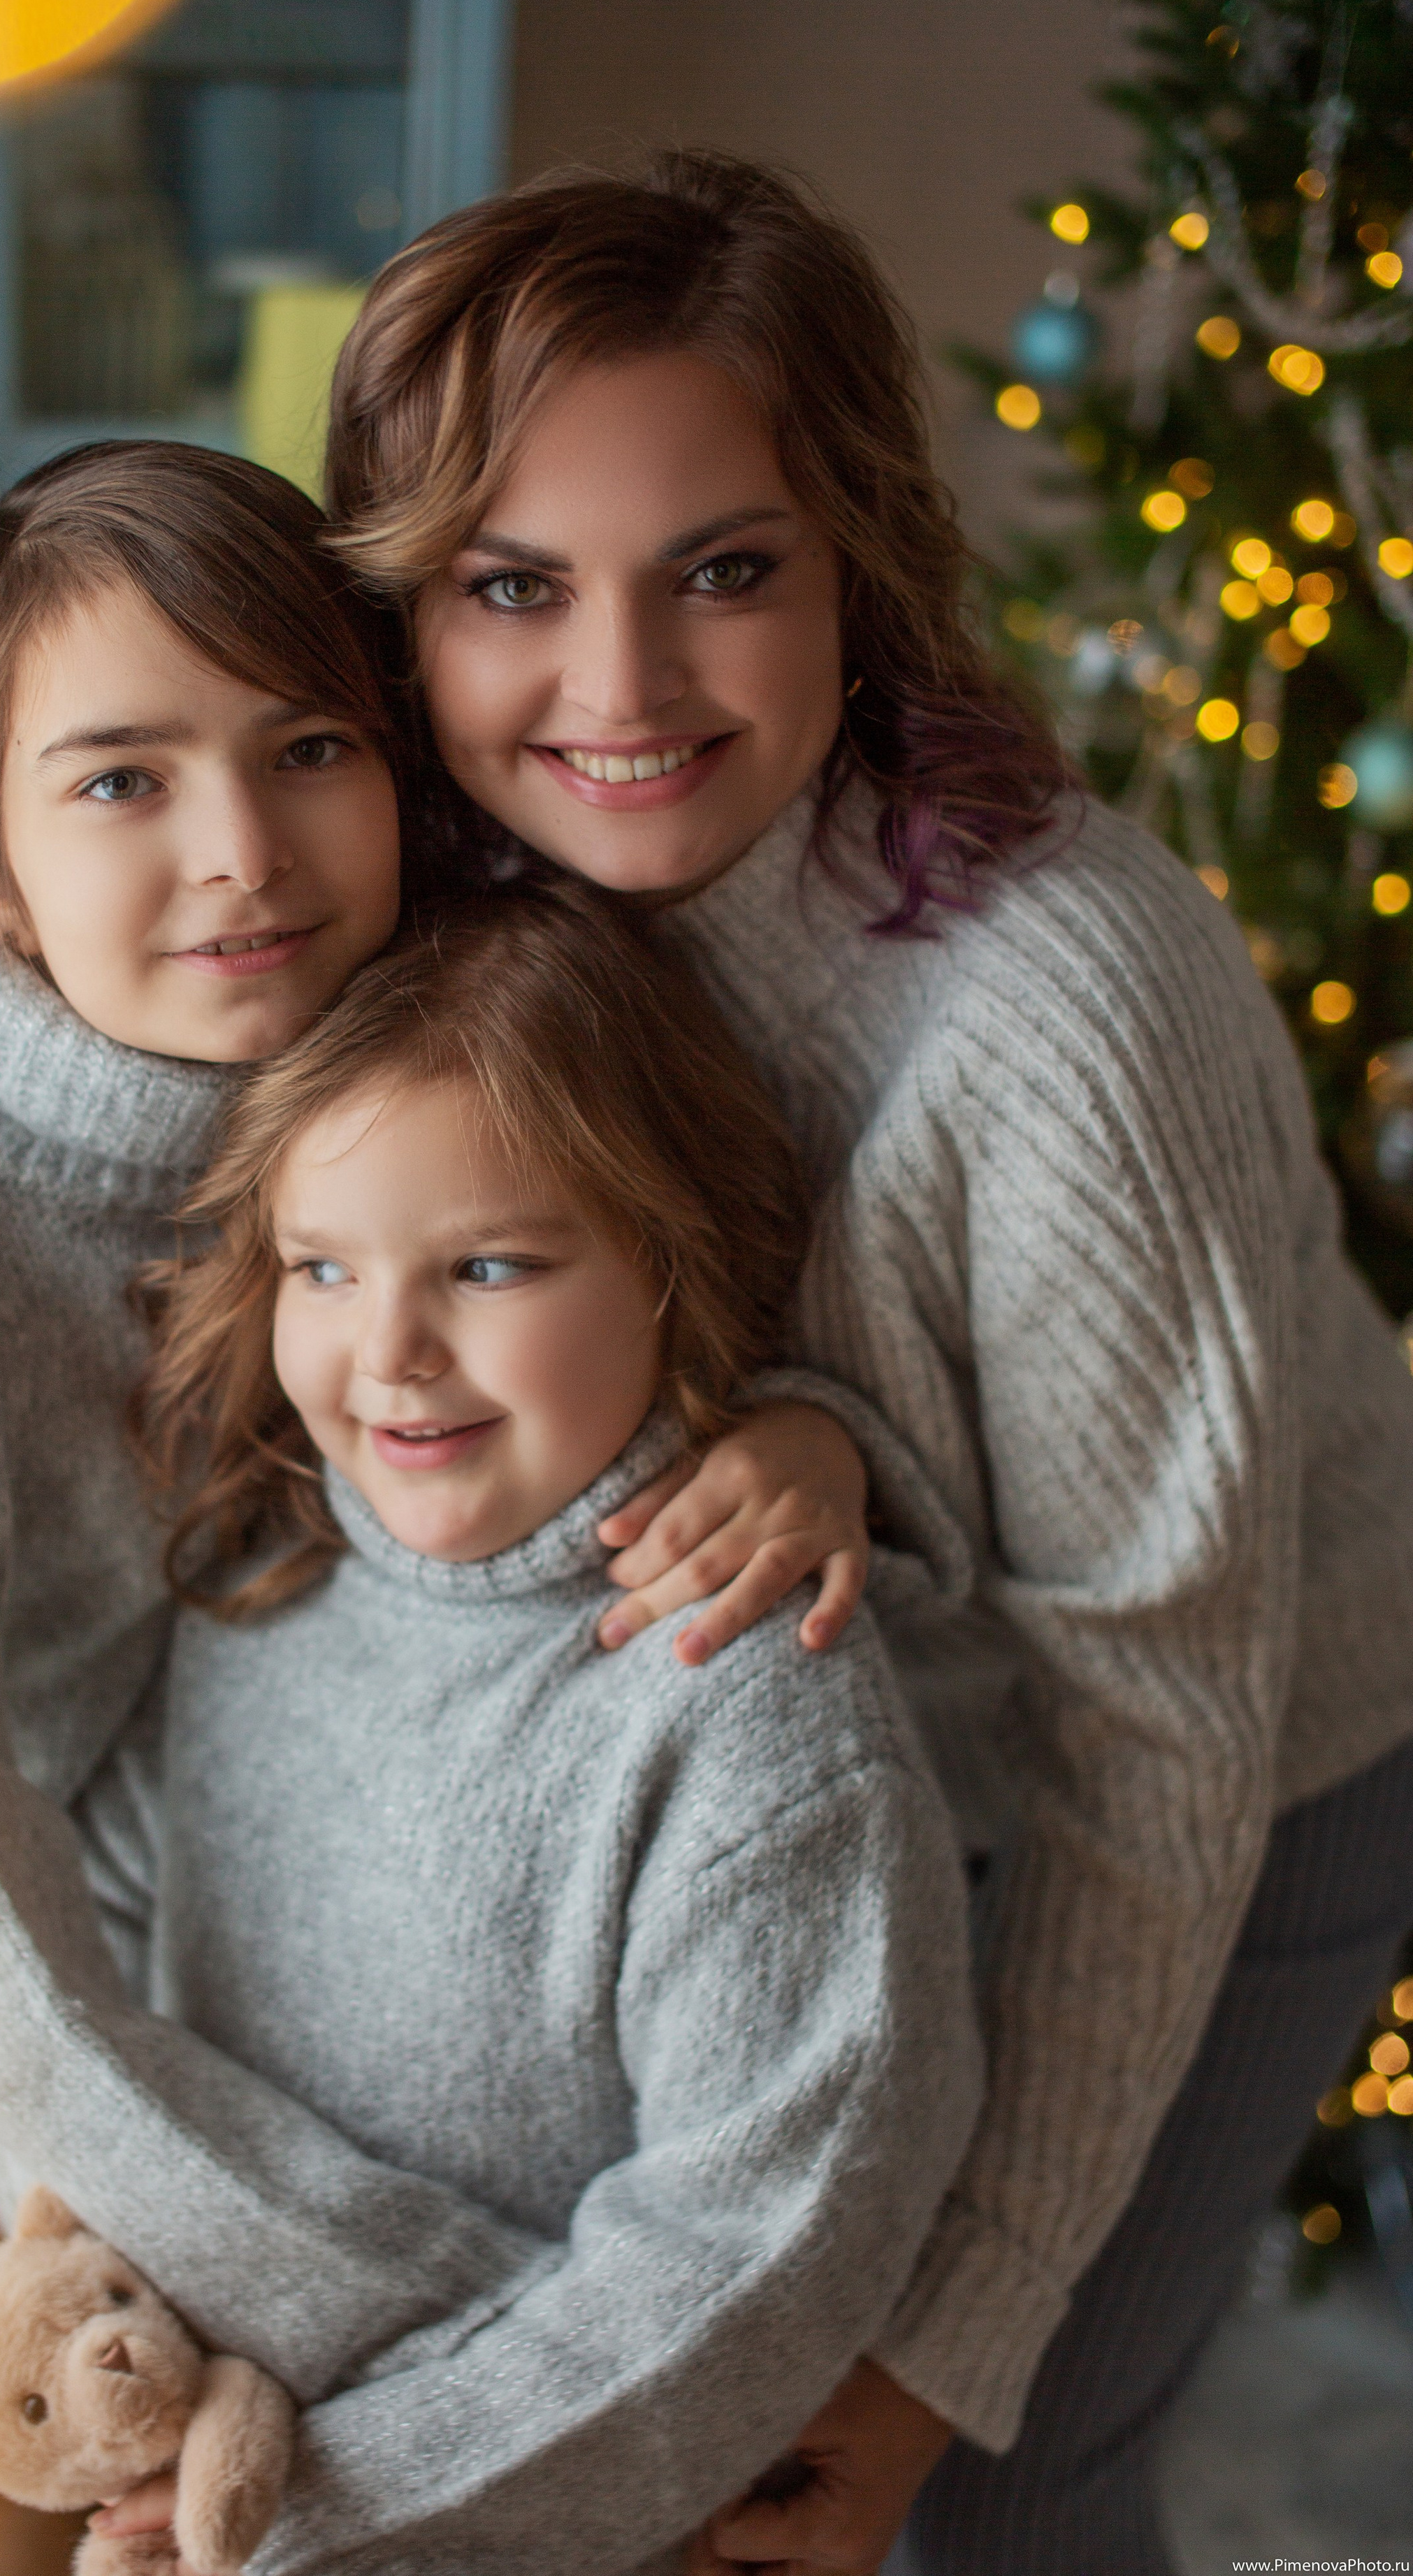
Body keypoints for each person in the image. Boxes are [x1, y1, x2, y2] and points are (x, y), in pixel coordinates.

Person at [321, 150, 1413, 2574]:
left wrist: (950, 2344)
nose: (616, 693)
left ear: (856, 565)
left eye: (725, 572)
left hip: (1236, 1761)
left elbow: (1165, 1745)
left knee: (991, 2486)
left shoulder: (1055, 1018)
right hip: (868, 1740)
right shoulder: (450, 877)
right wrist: (817, 1430)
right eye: (514, 588)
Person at [0, 438, 867, 2386]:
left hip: (107, 2037)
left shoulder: (376, 1065)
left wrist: (797, 1420)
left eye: (308, 749)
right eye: (123, 779)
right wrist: (403, 2313)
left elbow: (631, 1254)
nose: (244, 854)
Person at [80, 882, 980, 2575]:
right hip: (211, 2472)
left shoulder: (752, 1713)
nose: (391, 1352)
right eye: (322, 1268)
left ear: (666, 1257)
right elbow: (113, 1971)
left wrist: (318, 2520)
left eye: (486, 1265)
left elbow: (742, 2264)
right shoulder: (259, 1590)